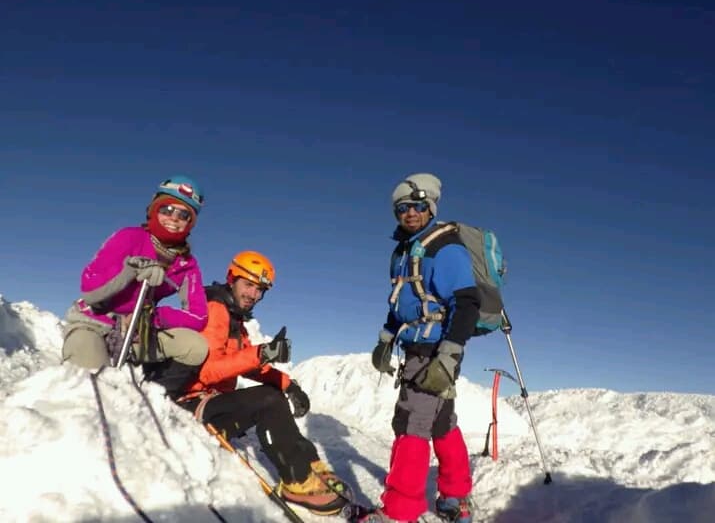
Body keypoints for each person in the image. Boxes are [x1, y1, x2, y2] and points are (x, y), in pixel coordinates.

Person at [173, 250, 350, 516]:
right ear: (232, 279)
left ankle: (308, 464)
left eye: (260, 290)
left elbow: (248, 363)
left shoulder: (234, 319)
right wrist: (261, 353)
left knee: (272, 393)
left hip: (210, 402)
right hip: (188, 407)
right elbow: (205, 371)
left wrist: (288, 384)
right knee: (268, 401)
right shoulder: (214, 309)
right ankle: (296, 482)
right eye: (248, 285)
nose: (253, 294)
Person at [363, 173, 479, 523]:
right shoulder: (405, 251)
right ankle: (456, 499)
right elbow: (403, 301)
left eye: (416, 206)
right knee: (442, 424)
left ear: (430, 206)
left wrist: (449, 353)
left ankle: (399, 513)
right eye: (402, 208)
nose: (409, 213)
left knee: (411, 426)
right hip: (419, 347)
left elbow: (467, 301)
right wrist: (387, 336)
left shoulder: (445, 247)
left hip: (434, 350)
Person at [61, 176, 210, 399]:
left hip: (137, 333)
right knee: (93, 387)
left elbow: (198, 316)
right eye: (167, 209)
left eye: (184, 215)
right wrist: (129, 271)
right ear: (153, 209)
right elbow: (90, 290)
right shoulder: (129, 237)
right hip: (95, 324)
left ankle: (151, 396)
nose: (174, 218)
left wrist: (152, 319)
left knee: (195, 347)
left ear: (190, 223)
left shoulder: (186, 265)